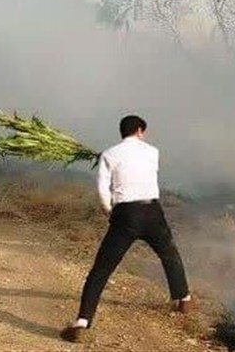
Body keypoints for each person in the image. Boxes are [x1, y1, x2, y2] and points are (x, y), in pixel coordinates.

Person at [61, 115, 192, 343]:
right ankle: (183, 298)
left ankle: (82, 320)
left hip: (125, 214)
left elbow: (103, 189)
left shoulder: (109, 155)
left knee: (101, 269)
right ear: (140, 130)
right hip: (152, 211)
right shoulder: (153, 152)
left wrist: (110, 212)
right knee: (169, 254)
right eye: (144, 131)